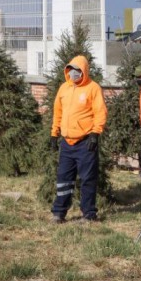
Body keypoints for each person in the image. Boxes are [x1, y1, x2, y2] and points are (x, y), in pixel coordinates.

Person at [50, 55, 107, 223]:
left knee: (88, 179)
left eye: (77, 71)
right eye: (71, 70)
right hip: (67, 143)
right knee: (63, 179)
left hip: (85, 143)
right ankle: (59, 213)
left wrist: (95, 134)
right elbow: (57, 112)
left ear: (84, 71)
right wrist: (54, 134)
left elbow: (100, 112)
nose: (74, 74)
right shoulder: (64, 89)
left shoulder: (93, 88)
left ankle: (89, 214)